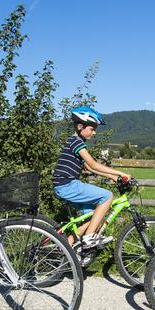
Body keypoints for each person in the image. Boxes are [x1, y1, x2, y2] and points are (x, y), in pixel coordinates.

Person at [52, 106, 131, 249]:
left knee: (91, 217)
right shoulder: (76, 142)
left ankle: (64, 251)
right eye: (92, 128)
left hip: (65, 186)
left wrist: (111, 176)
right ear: (80, 126)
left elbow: (87, 167)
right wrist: (120, 173)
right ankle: (89, 238)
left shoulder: (76, 142)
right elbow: (93, 164)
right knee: (107, 196)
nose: (94, 132)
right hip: (68, 185)